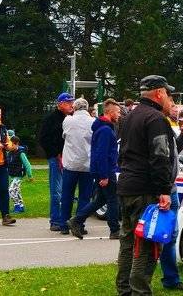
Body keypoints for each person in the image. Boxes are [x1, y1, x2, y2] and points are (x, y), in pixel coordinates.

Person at [117, 76, 179, 295]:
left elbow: (122, 153)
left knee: (127, 243)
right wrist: (164, 190)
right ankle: (140, 291)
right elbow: (160, 156)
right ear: (159, 93)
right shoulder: (156, 119)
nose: (169, 98)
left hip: (126, 187)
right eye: (168, 93)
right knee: (146, 246)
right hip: (145, 190)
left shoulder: (129, 116)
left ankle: (124, 289)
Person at [70, 99, 123, 239]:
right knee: (113, 200)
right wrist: (104, 175)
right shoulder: (105, 130)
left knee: (100, 200)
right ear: (110, 112)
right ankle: (115, 230)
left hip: (102, 170)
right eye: (117, 112)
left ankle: (77, 220)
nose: (119, 115)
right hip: (106, 171)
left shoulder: (103, 128)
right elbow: (101, 154)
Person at [60, 98, 97, 232]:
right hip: (87, 164)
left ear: (74, 108)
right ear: (87, 108)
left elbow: (64, 136)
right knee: (84, 197)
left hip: (70, 163)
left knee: (67, 195)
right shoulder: (93, 122)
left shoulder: (68, 120)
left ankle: (64, 225)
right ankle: (79, 224)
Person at [41, 93, 72, 232]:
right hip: (56, 157)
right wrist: (56, 154)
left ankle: (65, 218)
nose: (71, 105)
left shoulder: (70, 119)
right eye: (68, 102)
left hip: (69, 158)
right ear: (60, 104)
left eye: (72, 102)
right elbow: (44, 139)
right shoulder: (51, 119)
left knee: (67, 190)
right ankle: (55, 220)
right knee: (56, 190)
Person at [4, 136, 31, 215]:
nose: (10, 146)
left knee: (11, 190)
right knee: (17, 191)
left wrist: (30, 175)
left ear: (17, 144)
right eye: (9, 145)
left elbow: (27, 164)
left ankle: (17, 206)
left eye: (12, 145)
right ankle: (21, 207)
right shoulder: (10, 153)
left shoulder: (21, 153)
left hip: (19, 175)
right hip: (12, 175)